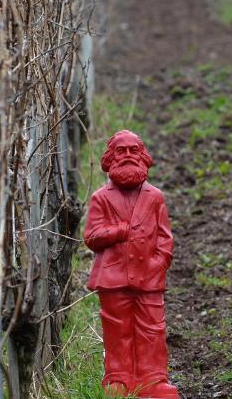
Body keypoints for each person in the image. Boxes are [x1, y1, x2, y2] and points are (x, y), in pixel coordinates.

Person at [84, 130, 179, 399]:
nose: (127, 156)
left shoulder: (154, 196)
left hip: (148, 276)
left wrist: (159, 263)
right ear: (110, 158)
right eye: (121, 151)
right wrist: (118, 231)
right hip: (113, 279)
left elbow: (164, 237)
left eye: (133, 151)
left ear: (143, 156)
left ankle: (154, 379)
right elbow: (91, 237)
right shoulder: (101, 198)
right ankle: (119, 378)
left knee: (152, 328)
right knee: (118, 329)